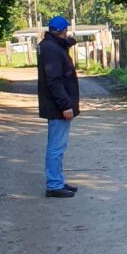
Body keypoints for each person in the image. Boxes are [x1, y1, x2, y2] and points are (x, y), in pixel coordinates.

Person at [37, 15, 80, 198]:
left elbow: (63, 45)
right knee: (56, 146)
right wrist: (65, 105)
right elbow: (54, 80)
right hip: (57, 107)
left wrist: (69, 42)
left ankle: (58, 181)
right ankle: (54, 184)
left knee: (58, 146)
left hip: (56, 105)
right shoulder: (52, 50)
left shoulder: (50, 45)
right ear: (63, 31)